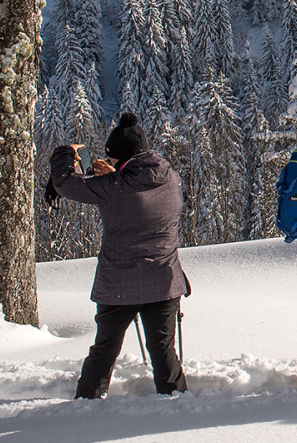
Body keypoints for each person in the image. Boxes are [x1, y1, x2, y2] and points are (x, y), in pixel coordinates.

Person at [45, 112, 190, 398]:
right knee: (163, 349)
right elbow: (137, 194)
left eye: (111, 158)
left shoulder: (113, 188)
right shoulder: (170, 179)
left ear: (122, 159)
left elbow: (64, 182)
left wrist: (67, 151)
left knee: (105, 348)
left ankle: (88, 402)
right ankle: (175, 401)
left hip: (119, 285)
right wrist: (116, 174)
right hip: (164, 281)